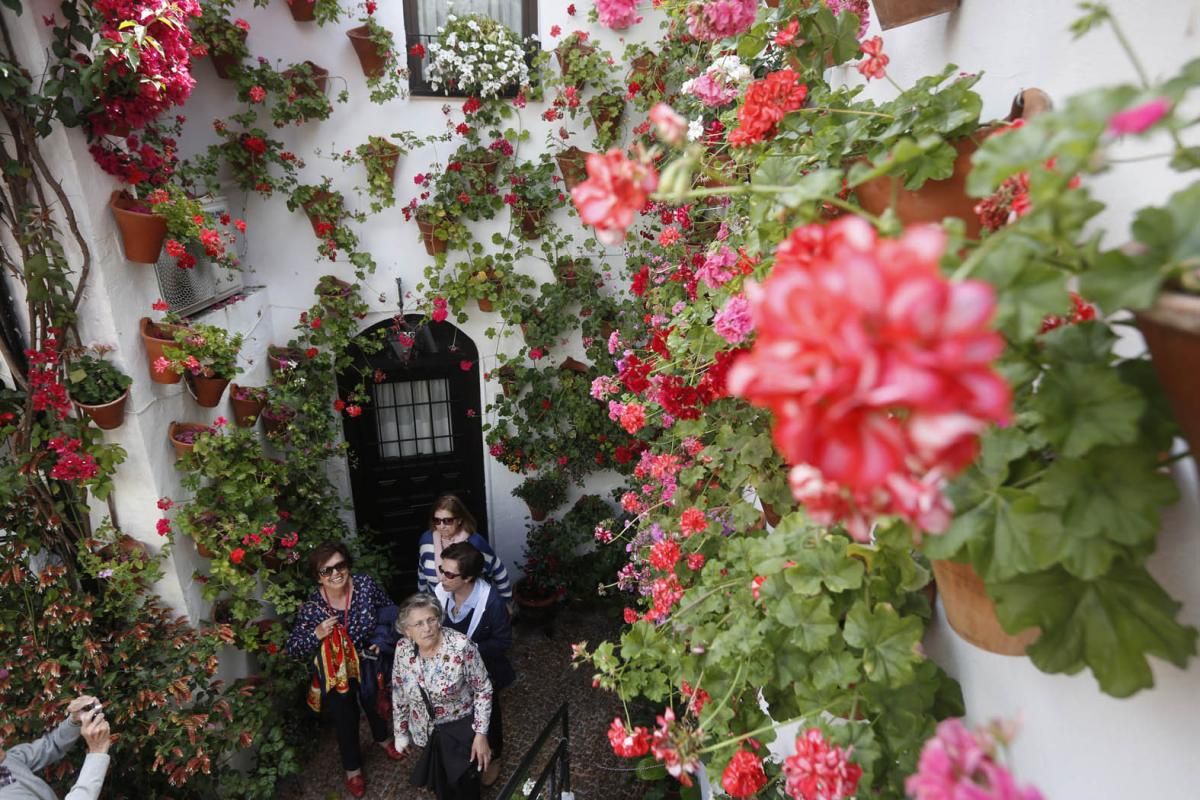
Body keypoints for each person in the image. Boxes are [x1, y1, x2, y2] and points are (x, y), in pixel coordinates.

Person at [285, 541, 404, 799]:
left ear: (348, 565)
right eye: (327, 570)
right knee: (344, 718)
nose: (336, 573)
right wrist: (316, 634)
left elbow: (391, 611)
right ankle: (353, 769)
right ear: (318, 577)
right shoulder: (314, 607)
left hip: (369, 661)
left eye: (340, 566)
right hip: (337, 671)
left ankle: (382, 739)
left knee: (375, 702)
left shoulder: (365, 586)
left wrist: (380, 641)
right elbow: (293, 648)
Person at [392, 593, 493, 800]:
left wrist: (481, 735)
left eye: (431, 619)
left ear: (439, 619)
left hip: (459, 733)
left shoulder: (461, 646)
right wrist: (400, 732)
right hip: (426, 734)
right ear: (407, 631)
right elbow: (399, 691)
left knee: (465, 785)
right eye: (418, 623)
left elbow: (483, 689)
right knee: (442, 785)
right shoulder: (402, 649)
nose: (427, 628)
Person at [433, 542, 515, 787]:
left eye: (448, 573)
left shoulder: (492, 604)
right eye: (441, 568)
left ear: (467, 577)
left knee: (490, 715)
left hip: (484, 672)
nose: (441, 577)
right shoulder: (441, 592)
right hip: (452, 674)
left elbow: (503, 641)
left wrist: (469, 650)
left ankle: (494, 755)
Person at [0, 694, 110, 799]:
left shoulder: (7, 760)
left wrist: (75, 720)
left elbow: (51, 745)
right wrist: (97, 753)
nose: (2, 741)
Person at [416, 495, 512, 603]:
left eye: (447, 521)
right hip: (437, 607)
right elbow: (422, 572)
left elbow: (497, 569)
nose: (441, 526)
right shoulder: (427, 540)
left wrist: (506, 601)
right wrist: (423, 600)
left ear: (460, 520)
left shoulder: (475, 543)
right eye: (437, 520)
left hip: (473, 606)